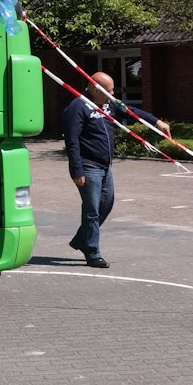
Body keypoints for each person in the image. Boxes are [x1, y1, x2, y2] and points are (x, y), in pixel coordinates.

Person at [60, 72, 171, 268]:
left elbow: (131, 111)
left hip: (105, 166)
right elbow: (72, 141)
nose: (113, 93)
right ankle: (93, 253)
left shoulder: (109, 104)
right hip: (88, 166)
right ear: (95, 88)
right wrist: (76, 170)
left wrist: (156, 122)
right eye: (109, 90)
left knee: (106, 204)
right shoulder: (78, 107)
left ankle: (81, 239)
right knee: (92, 210)